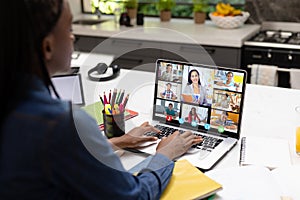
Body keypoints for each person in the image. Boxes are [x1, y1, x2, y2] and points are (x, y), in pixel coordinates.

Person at [0, 1, 202, 199]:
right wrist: (166, 155)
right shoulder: (62, 124)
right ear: (47, 47)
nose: (73, 36)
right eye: (69, 28)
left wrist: (117, 142)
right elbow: (135, 196)